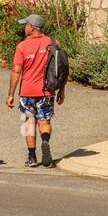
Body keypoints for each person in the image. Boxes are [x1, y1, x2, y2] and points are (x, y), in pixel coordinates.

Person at [6, 13, 66, 168]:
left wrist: (11, 94)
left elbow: (16, 71)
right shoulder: (52, 43)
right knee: (44, 121)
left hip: (27, 92)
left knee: (29, 122)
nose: (24, 27)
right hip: (47, 91)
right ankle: (45, 141)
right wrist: (62, 90)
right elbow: (61, 69)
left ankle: (32, 156)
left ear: (32, 27)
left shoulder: (22, 46)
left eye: (26, 25)